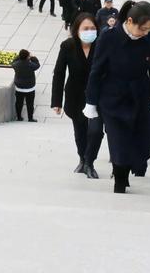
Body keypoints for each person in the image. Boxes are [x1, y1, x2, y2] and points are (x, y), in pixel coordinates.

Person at [84, 1, 150, 193]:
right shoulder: (109, 37)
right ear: (129, 21)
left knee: (139, 143)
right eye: (142, 28)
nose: (146, 32)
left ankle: (125, 173)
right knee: (119, 142)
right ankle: (119, 181)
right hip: (113, 97)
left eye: (149, 29)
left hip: (139, 94)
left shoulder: (149, 35)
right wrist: (91, 101)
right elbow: (97, 70)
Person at [51, 13, 104, 178]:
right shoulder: (68, 46)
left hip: (98, 96)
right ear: (77, 30)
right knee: (80, 131)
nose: (89, 31)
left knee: (95, 132)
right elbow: (59, 73)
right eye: (85, 28)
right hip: (75, 95)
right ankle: (82, 159)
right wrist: (56, 101)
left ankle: (90, 161)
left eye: (92, 28)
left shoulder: (102, 44)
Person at [11, 49, 40, 122]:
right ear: (27, 57)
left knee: (19, 103)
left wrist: (19, 56)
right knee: (30, 104)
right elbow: (37, 65)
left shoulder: (16, 65)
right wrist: (33, 57)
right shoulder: (31, 65)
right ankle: (30, 118)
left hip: (19, 88)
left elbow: (13, 62)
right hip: (30, 88)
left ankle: (19, 117)